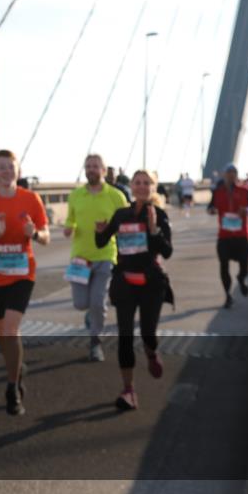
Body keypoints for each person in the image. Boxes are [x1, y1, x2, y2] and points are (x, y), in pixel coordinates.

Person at [0, 150, 50, 416]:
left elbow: (46, 237)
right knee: (3, 333)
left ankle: (12, 386)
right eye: (1, 167)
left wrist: (34, 233)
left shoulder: (31, 199)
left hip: (22, 274)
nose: (7, 171)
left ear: (18, 170)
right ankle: (15, 368)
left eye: (11, 166)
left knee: (10, 329)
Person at [95, 170, 172, 410]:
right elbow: (101, 242)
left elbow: (167, 251)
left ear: (153, 187)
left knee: (148, 333)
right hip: (125, 281)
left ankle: (151, 352)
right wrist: (100, 231)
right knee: (125, 337)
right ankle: (128, 390)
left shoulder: (159, 214)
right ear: (132, 186)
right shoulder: (121, 214)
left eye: (146, 183)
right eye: (137, 182)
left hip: (151, 283)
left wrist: (154, 229)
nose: (141, 186)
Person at [64, 154, 129, 362]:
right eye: (88, 166)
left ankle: (95, 342)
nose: (91, 169)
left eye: (95, 166)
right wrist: (69, 228)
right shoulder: (76, 195)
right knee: (80, 303)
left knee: (98, 302)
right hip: (80, 257)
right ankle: (90, 314)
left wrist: (112, 232)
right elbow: (70, 219)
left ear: (103, 170)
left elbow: (125, 225)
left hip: (105, 255)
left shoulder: (116, 196)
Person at [207, 164, 248, 308]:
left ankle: (241, 279)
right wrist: (212, 210)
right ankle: (228, 295)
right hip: (224, 237)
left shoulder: (244, 191)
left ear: (237, 175)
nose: (231, 175)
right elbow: (210, 207)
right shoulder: (217, 192)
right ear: (224, 175)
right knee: (223, 266)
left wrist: (247, 210)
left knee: (245, 266)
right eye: (229, 173)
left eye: (234, 173)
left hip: (241, 236)